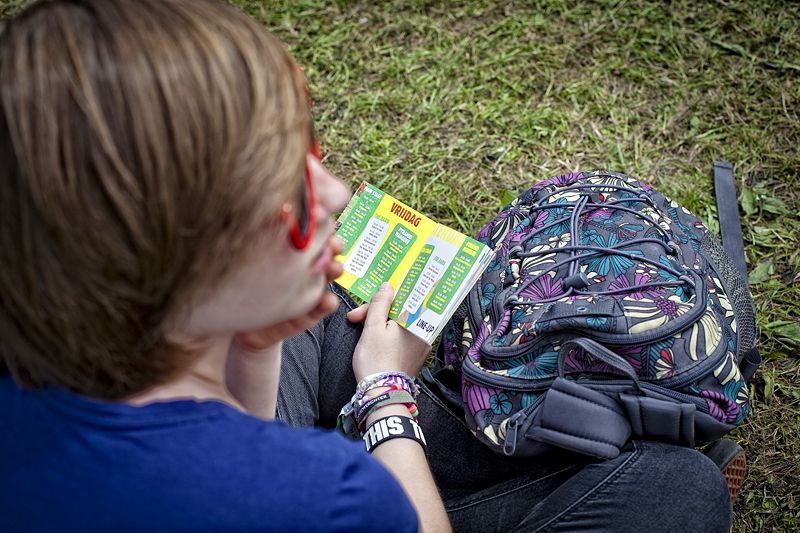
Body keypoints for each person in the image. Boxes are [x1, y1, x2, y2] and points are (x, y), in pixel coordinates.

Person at [0, 1, 734, 531]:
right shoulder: (327, 497)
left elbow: (227, 445)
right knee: (676, 490)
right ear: (174, 269)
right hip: (340, 491)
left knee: (332, 297)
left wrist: (253, 342)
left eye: (308, 153)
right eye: (283, 196)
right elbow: (274, 480)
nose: (338, 193)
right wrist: (386, 397)